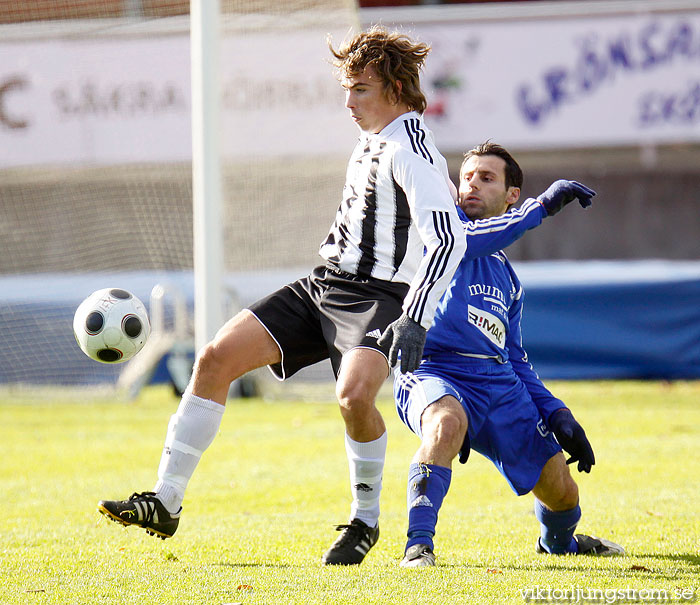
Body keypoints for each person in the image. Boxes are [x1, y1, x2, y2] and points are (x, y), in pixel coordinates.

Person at [97, 26, 472, 566]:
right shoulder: (374, 137)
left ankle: (365, 522)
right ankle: (166, 500)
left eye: (360, 89)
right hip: (325, 284)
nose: (348, 102)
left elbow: (450, 237)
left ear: (394, 87)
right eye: (347, 88)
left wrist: (415, 317)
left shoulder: (412, 148)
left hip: (378, 298)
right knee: (214, 358)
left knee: (353, 398)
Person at [393, 142, 625, 568]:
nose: (471, 186)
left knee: (562, 491)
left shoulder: (509, 281)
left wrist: (556, 413)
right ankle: (417, 546)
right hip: (433, 368)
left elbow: (515, 360)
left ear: (510, 194)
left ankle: (559, 545)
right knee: (445, 422)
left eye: (486, 178)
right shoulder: (441, 232)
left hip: (497, 383)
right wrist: (543, 206)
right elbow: (466, 242)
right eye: (467, 178)